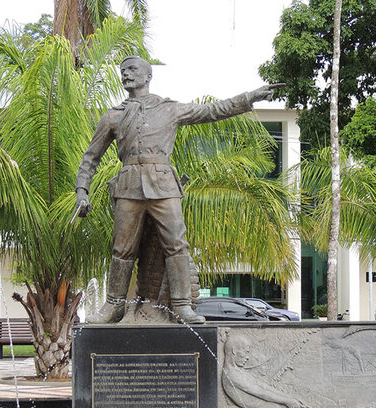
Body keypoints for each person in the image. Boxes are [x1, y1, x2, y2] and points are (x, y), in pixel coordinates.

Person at [76, 56, 280, 324]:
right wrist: (82, 191)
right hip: (128, 186)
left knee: (176, 245)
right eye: (123, 71)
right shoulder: (113, 116)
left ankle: (183, 306)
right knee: (121, 249)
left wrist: (249, 98)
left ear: (148, 76)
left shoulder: (169, 109)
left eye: (132, 70)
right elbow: (91, 157)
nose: (126, 74)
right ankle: (114, 305)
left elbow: (213, 110)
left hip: (164, 186)